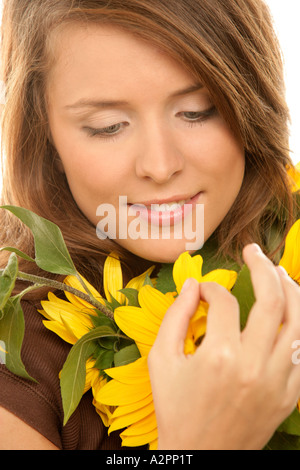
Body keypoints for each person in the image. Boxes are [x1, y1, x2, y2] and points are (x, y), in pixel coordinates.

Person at [0, 0, 299, 450]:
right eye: (108, 126)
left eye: (197, 111)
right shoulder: (16, 352)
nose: (160, 166)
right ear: (44, 138)